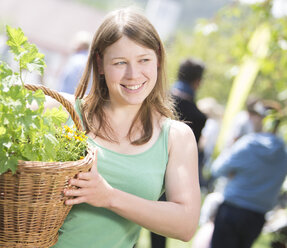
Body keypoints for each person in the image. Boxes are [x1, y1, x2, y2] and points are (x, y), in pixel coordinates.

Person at [50, 7, 201, 248]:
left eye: (144, 60)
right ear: (100, 64)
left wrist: (108, 196)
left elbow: (185, 225)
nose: (133, 75)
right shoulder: (62, 111)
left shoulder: (175, 137)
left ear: (159, 60)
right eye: (120, 62)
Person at [210, 100, 287, 248]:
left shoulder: (248, 144)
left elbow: (217, 169)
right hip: (258, 216)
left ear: (262, 119)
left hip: (232, 210)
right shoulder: (283, 153)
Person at [150, 58, 207, 248]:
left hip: (143, 162)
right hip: (170, 175)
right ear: (197, 82)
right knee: (159, 230)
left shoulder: (156, 98)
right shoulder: (198, 116)